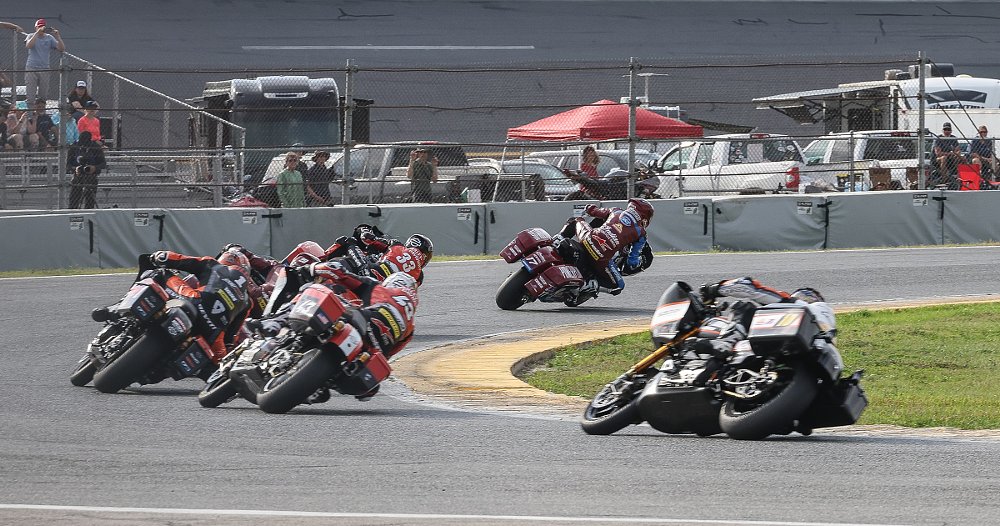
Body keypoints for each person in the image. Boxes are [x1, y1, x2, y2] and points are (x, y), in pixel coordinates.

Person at [256, 263, 420, 401]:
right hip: (369, 349)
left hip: (360, 320)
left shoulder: (379, 288)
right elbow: (388, 355)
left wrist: (312, 269)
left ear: (392, 283)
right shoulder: (410, 328)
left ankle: (275, 323)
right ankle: (322, 383)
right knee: (368, 391)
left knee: (314, 289)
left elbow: (340, 273)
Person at [93, 248, 255, 364]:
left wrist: (160, 257)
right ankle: (169, 367)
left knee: (158, 275)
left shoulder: (213, 265)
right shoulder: (248, 302)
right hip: (211, 332)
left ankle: (115, 310)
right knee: (216, 363)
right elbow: (230, 337)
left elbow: (181, 261)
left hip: (192, 300)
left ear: (226, 259)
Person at [695, 278, 831, 358]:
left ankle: (728, 341)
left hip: (776, 344)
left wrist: (713, 289)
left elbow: (747, 287)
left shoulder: (794, 304)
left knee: (744, 307)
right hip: (798, 364)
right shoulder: (828, 345)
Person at [555, 197, 655, 300]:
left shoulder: (616, 210)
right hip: (602, 257)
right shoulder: (641, 233)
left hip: (587, 238)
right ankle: (588, 285)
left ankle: (557, 239)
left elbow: (593, 211)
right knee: (618, 286)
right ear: (645, 217)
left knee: (576, 221)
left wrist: (588, 207)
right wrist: (638, 262)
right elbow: (631, 261)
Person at [24, 19, 65, 102]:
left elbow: (62, 49)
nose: (41, 29)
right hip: (32, 67)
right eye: (39, 27)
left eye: (43, 27)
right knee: (30, 93)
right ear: (35, 27)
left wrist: (58, 36)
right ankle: (30, 112)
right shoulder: (30, 35)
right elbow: (29, 45)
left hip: (44, 68)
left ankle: (42, 111)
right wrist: (36, 33)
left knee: (43, 94)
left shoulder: (49, 38)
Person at [67, 131, 106, 209]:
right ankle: (73, 214)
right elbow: (68, 164)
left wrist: (94, 167)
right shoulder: (74, 147)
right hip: (77, 177)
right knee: (73, 201)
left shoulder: (95, 147)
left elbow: (103, 163)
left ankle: (89, 214)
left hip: (92, 177)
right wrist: (75, 169)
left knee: (90, 202)